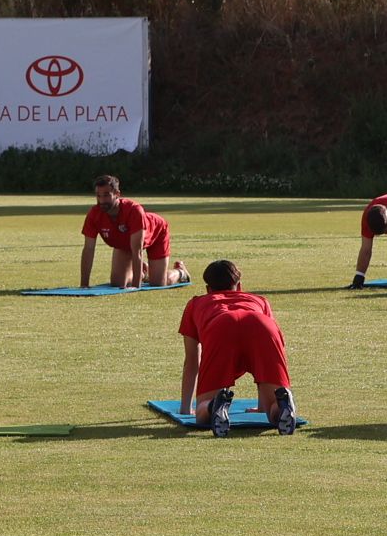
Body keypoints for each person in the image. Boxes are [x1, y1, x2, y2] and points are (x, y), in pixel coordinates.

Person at [176, 259, 297, 435]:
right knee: (274, 405)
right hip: (262, 324)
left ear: (208, 289)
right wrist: (261, 408)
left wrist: (186, 409)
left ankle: (214, 405)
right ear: (239, 286)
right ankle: (281, 406)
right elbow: (263, 364)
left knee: (203, 412)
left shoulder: (196, 303)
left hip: (221, 326)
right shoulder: (259, 300)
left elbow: (192, 360)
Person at [81, 176, 181, 289]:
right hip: (124, 243)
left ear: (117, 194)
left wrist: (135, 286)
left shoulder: (134, 210)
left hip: (156, 232)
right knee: (118, 283)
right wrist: (84, 285)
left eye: (106, 195)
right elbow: (88, 249)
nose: (102, 201)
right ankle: (144, 272)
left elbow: (137, 251)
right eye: (98, 196)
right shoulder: (94, 214)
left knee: (158, 282)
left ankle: (180, 272)